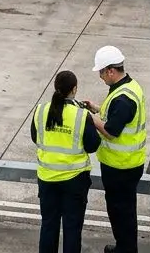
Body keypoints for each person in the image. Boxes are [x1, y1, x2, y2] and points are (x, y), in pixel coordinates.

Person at [80, 45, 147, 253]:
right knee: (124, 211)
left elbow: (111, 131)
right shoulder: (129, 87)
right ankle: (125, 247)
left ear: (110, 70)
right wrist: (98, 108)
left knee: (120, 212)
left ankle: (125, 250)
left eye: (101, 72)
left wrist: (91, 118)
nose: (101, 77)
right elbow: (117, 117)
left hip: (121, 167)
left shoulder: (123, 98)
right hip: (127, 164)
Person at [31, 69, 101, 253]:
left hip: (47, 179)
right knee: (72, 229)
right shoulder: (80, 115)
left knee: (48, 226)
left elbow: (34, 137)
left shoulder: (40, 110)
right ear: (74, 89)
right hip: (74, 180)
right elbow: (93, 145)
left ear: (56, 87)